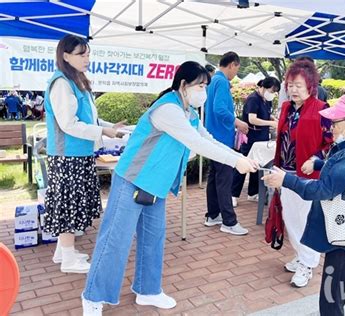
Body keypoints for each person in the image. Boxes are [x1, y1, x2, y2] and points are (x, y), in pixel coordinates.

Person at [82, 61, 258, 315]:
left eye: (206, 86)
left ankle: (147, 290)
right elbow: (196, 143)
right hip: (132, 179)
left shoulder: (190, 113)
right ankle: (93, 296)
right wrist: (236, 161)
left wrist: (238, 156)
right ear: (184, 84)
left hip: (157, 185)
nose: (204, 91)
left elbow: (208, 139)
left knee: (153, 240)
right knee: (115, 240)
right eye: (200, 85)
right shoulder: (167, 109)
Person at [262, 95, 345, 316]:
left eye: (335, 122)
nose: (330, 127)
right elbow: (340, 174)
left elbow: (323, 190)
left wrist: (286, 180)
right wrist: (318, 163)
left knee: (330, 302)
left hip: (344, 236)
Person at [42, 35, 122, 274]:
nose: (87, 58)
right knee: (68, 205)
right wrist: (102, 130)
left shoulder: (76, 81)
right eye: (81, 54)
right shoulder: (61, 83)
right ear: (66, 56)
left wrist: (110, 129)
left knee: (73, 203)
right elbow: (68, 124)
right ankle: (68, 259)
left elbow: (89, 119)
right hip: (67, 157)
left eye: (87, 53)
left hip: (78, 155)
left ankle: (62, 251)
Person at [274, 58, 332, 288]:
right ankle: (301, 255)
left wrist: (315, 159)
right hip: (285, 172)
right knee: (291, 218)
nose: (293, 89)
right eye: (290, 84)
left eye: (298, 85)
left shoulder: (322, 109)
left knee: (306, 220)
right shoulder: (287, 108)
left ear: (310, 86)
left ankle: (308, 264)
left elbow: (330, 143)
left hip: (308, 176)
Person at [204, 51, 250, 235]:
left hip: (213, 137)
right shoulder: (222, 81)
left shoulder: (214, 80)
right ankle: (229, 222)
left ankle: (213, 215)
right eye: (237, 69)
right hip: (221, 139)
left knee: (214, 177)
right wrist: (237, 122)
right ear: (232, 64)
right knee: (224, 179)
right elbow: (220, 109)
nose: (235, 73)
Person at [231, 77, 280, 206]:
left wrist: (274, 119)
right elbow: (252, 119)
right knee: (244, 164)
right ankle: (233, 194)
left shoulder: (266, 100)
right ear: (263, 87)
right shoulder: (253, 99)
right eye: (272, 91)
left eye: (275, 92)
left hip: (262, 135)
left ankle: (253, 193)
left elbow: (265, 114)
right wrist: (272, 123)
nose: (273, 94)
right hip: (251, 136)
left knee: (258, 164)